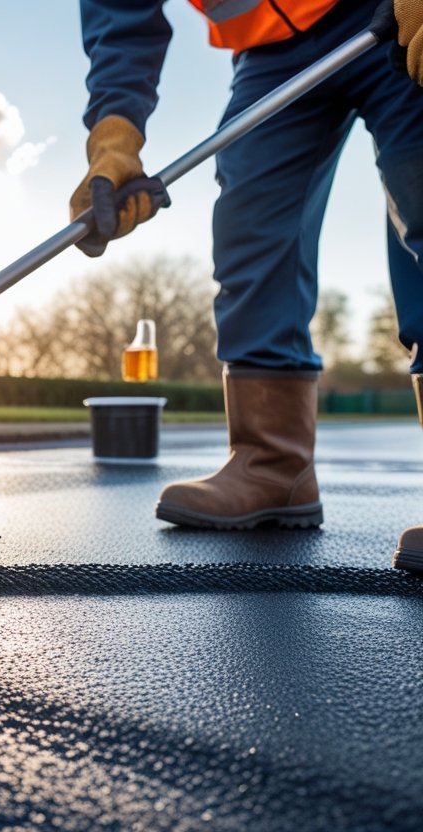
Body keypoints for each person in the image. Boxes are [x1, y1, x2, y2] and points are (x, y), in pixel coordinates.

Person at [72, 0, 423, 569]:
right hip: (270, 50)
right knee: (249, 221)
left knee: (422, 189)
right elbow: (120, 12)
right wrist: (115, 135)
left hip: (393, 8)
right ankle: (271, 465)